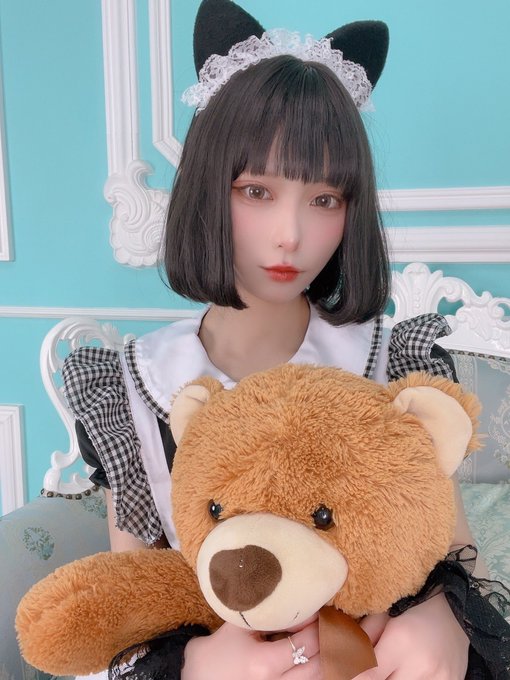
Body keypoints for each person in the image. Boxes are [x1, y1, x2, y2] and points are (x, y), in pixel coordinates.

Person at [62, 1, 489, 678]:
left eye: (325, 199)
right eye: (256, 191)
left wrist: (443, 620)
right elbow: (136, 604)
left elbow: (456, 557)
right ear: (207, 188)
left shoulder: (391, 363)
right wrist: (199, 661)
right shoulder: (135, 388)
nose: (291, 235)